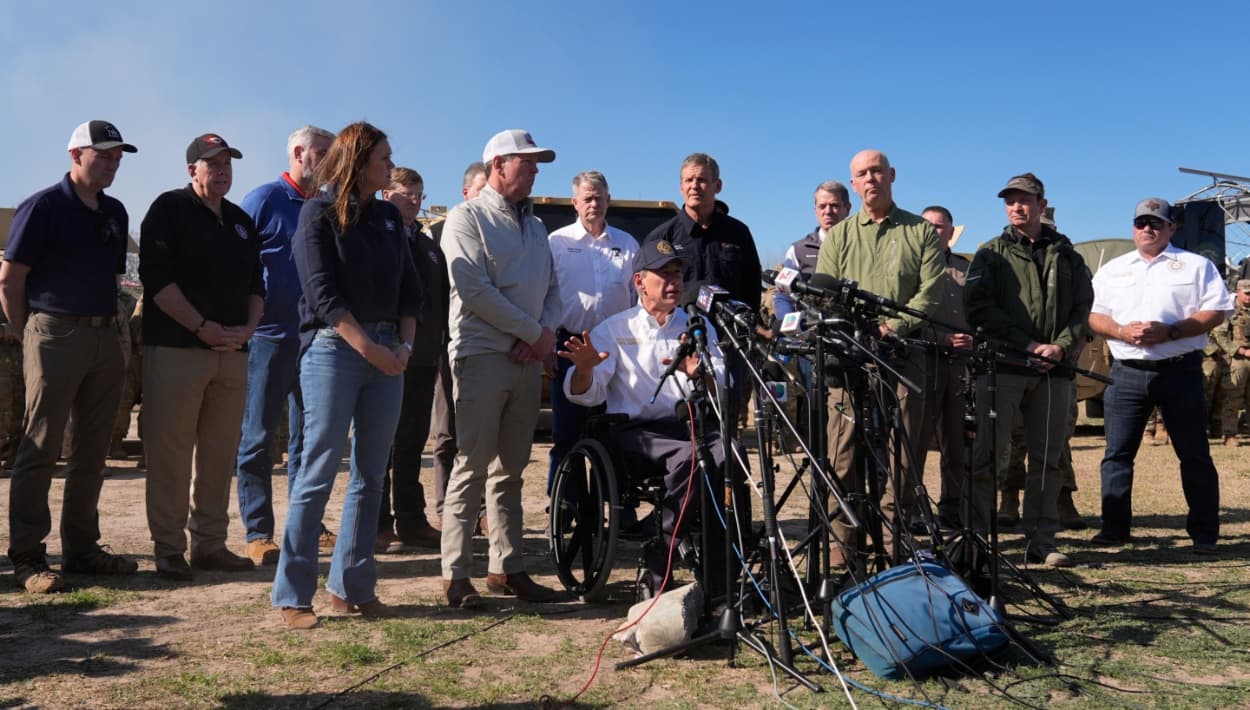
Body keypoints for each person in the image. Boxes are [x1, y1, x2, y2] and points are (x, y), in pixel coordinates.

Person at [272, 122, 421, 629]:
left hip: (387, 352)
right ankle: (293, 595)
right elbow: (322, 295)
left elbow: (409, 290)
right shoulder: (316, 214)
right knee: (316, 472)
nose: (389, 164)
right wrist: (374, 351)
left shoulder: (386, 218)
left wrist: (402, 345)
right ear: (358, 161)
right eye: (383, 157)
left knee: (370, 476)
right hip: (335, 348)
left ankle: (351, 588)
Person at [1, 120, 139, 593]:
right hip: (55, 330)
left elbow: (114, 278)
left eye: (117, 156)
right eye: (103, 154)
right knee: (40, 447)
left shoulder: (115, 212)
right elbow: (9, 279)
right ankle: (27, 557)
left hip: (105, 336)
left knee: (93, 451)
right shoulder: (43, 206)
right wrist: (32, 334)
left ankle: (81, 549)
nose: (112, 163)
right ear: (75, 154)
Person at [562, 239, 728, 593]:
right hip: (635, 435)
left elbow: (723, 383)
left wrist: (703, 375)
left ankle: (719, 570)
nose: (674, 282)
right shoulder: (615, 329)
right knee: (694, 456)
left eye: (678, 274)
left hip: (689, 425)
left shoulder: (698, 326)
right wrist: (585, 370)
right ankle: (660, 551)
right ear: (640, 282)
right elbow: (584, 394)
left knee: (732, 454)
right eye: (664, 274)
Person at [439, 129, 562, 608]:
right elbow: (473, 289)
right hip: (483, 354)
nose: (533, 171)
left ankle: (506, 567)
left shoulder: (536, 228)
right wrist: (533, 334)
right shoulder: (465, 218)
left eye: (535, 164)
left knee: (510, 468)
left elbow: (552, 290)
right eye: (526, 162)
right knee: (471, 464)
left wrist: (540, 335)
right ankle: (454, 574)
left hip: (526, 360)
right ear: (498, 166)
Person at [140, 133, 265, 581]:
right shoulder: (168, 209)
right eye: (212, 163)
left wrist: (249, 328)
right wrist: (200, 327)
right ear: (192, 169)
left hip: (232, 353)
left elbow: (256, 284)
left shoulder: (239, 220)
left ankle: (210, 544)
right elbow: (156, 281)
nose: (222, 170)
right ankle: (170, 548)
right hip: (178, 351)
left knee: (218, 455)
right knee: (171, 453)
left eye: (228, 162)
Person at [814, 149, 945, 567]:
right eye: (861, 174)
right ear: (853, 184)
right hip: (850, 357)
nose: (870, 179)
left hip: (903, 354)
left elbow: (931, 291)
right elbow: (826, 293)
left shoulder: (920, 231)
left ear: (891, 176)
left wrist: (894, 327)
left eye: (876, 171)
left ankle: (894, 540)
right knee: (842, 449)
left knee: (902, 452)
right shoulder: (838, 236)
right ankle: (842, 544)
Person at [1087, 198, 1232, 555]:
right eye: (1141, 223)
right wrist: (1120, 331)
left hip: (1179, 370)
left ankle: (1204, 533)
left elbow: (1217, 311)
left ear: (1172, 228)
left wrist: (1172, 331)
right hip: (1126, 373)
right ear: (1133, 227)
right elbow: (1094, 315)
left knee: (1194, 454)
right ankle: (1115, 529)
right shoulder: (1112, 269)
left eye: (1156, 223)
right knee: (1117, 455)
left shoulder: (1196, 266)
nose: (1147, 229)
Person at [963, 173, 1092, 567]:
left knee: (1048, 458)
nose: (1016, 207)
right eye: (1010, 201)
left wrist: (1062, 347)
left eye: (1025, 200)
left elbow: (1081, 310)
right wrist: (1029, 344)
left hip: (1055, 373)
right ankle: (978, 540)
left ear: (1042, 204)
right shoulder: (990, 253)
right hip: (1004, 367)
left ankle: (1041, 540)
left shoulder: (1067, 256)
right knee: (986, 454)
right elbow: (979, 308)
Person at [235, 125, 336, 566]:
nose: (331, 163)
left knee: (309, 441)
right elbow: (237, 266)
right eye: (323, 154)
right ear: (300, 152)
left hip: (315, 340)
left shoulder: (327, 206)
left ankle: (305, 524)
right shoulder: (262, 201)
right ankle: (258, 533)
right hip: (269, 339)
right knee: (258, 438)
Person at [642, 154, 761, 425]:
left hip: (728, 346)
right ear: (681, 187)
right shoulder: (662, 237)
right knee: (678, 426)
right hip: (679, 347)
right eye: (689, 180)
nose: (695, 185)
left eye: (702, 180)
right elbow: (646, 296)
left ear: (717, 186)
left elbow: (751, 290)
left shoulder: (738, 233)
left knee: (726, 429)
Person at [546, 170, 638, 493]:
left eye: (599, 197)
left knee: (614, 432)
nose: (594, 204)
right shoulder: (556, 243)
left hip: (616, 349)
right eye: (587, 198)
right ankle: (567, 506)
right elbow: (544, 295)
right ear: (575, 203)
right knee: (567, 434)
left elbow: (637, 299)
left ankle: (618, 506)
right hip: (569, 344)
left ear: (609, 200)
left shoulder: (627, 245)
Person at [375, 167, 444, 551]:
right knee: (381, 442)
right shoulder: (378, 239)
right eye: (406, 194)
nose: (415, 202)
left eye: (419, 194)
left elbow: (438, 303)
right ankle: (378, 523)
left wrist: (434, 350)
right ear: (387, 195)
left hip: (422, 359)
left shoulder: (429, 246)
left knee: (412, 442)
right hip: (385, 354)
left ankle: (412, 519)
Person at [429, 162, 488, 533]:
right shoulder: (437, 233)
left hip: (484, 345)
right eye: (482, 189)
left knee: (480, 433)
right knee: (447, 431)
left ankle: (480, 510)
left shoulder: (498, 236)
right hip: (444, 344)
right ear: (466, 192)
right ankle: (444, 506)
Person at [917, 205, 972, 530]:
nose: (934, 231)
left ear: (951, 232)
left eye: (940, 226)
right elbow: (904, 321)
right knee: (915, 445)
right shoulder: (911, 268)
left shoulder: (967, 270)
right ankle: (912, 511)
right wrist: (942, 338)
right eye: (928, 226)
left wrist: (972, 342)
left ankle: (952, 512)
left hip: (960, 368)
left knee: (956, 446)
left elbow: (980, 316)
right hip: (922, 364)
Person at [774, 180, 853, 322]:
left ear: (847, 208)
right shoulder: (798, 250)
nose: (828, 211)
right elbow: (783, 296)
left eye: (834, 205)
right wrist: (791, 327)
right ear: (815, 211)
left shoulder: (861, 245)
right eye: (822, 206)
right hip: (815, 333)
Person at [1213, 279, 1250, 446]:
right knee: (1233, 397)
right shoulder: (1229, 311)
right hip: (1237, 360)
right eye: (1247, 293)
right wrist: (1240, 351)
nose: (1249, 297)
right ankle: (1230, 434)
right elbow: (1219, 335)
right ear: (1238, 292)